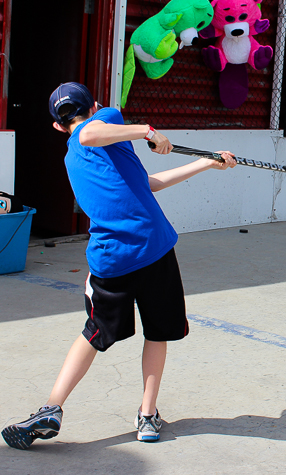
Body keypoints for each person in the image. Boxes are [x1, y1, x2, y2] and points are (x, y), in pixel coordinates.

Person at [1, 82, 237, 449]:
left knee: (95, 332)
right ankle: (147, 415)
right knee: (157, 333)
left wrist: (207, 163)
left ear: (56, 126)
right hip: (153, 250)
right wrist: (148, 130)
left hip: (112, 260)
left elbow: (146, 184)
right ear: (95, 105)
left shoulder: (74, 157)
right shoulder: (103, 121)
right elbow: (90, 132)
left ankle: (53, 407)